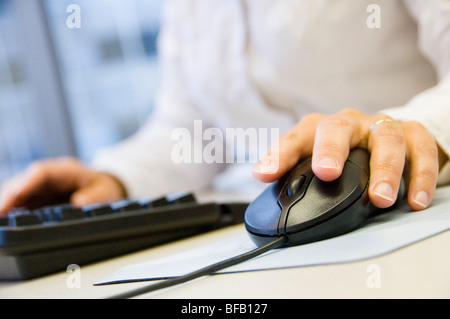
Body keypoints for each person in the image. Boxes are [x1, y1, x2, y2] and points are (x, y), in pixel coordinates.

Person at [1, 0, 450, 215]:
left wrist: (417, 127)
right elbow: (193, 131)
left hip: (403, 209)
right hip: (270, 227)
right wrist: (114, 178)